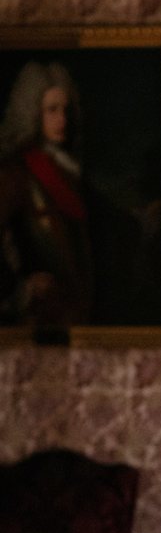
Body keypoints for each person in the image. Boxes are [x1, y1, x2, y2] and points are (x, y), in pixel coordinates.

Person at [0, 60, 94, 335]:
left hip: (77, 318)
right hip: (35, 323)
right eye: (51, 110)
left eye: (66, 110)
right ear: (33, 113)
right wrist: (20, 290)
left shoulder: (71, 173)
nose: (62, 120)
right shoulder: (16, 173)